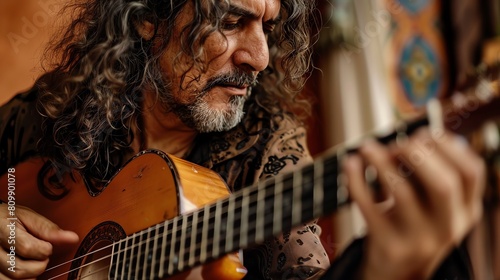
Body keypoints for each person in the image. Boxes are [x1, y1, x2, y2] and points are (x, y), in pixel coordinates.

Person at [0, 0, 485, 279]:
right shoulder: (57, 110)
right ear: (149, 17)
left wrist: (385, 270)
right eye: (231, 22)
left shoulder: (270, 153)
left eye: (268, 28)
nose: (260, 56)